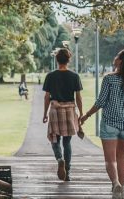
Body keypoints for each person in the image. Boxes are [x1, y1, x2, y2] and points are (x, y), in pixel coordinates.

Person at [80, 49, 124, 199]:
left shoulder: (109, 79)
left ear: (120, 61)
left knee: (110, 159)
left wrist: (86, 115)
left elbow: (100, 102)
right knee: (121, 157)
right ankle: (122, 187)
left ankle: (115, 183)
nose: (114, 58)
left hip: (109, 125)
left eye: (117, 57)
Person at [42, 48, 83, 182]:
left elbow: (47, 97)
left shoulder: (50, 76)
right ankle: (68, 172)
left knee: (54, 139)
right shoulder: (74, 76)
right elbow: (78, 97)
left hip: (55, 110)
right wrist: (81, 113)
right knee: (67, 142)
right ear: (69, 60)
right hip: (69, 110)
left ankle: (60, 159)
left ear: (57, 60)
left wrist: (44, 113)